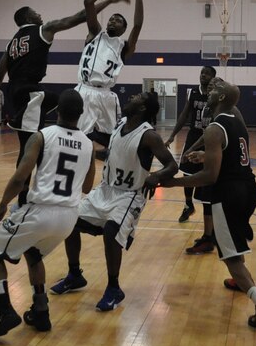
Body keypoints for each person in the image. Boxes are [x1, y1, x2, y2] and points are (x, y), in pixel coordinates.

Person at [144, 80, 256, 329]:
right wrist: (207, 154)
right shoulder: (237, 119)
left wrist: (173, 183)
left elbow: (209, 177)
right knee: (234, 242)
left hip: (228, 194)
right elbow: (234, 156)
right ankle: (240, 281)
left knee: (230, 256)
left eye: (216, 88)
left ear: (221, 97)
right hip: (249, 188)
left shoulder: (215, 128)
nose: (211, 90)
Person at [0, 0, 130, 205]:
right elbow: (79, 16)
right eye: (35, 13)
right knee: (27, 150)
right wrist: (109, 0)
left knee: (68, 102)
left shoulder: (12, 43)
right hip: (30, 94)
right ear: (27, 18)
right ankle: (23, 201)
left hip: (22, 92)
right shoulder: (42, 30)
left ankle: (80, 147)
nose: (39, 14)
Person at [50, 92, 178, 311]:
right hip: (105, 190)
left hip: (128, 196)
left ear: (143, 108)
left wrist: (156, 176)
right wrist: (91, 152)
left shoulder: (149, 136)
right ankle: (74, 275)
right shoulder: (120, 125)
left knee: (111, 232)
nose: (131, 98)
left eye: (137, 97)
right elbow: (114, 153)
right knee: (69, 220)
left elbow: (172, 165)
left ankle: (114, 288)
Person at [0, 89, 96, 339]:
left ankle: (4, 309)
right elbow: (87, 187)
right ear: (80, 114)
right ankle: (41, 310)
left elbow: (20, 177)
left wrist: (3, 204)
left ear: (57, 112)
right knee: (33, 253)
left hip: (40, 210)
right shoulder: (88, 144)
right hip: (68, 218)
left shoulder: (42, 136)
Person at [75, 0, 147, 158]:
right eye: (112, 19)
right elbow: (88, 2)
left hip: (106, 95)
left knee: (113, 140)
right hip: (85, 90)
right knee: (78, 138)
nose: (113, 21)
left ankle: (110, 168)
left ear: (124, 29)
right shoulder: (95, 34)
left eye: (118, 20)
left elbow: (138, 24)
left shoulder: (124, 47)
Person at [182, 76, 248, 255]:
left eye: (213, 87)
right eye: (209, 87)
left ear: (221, 92)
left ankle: (219, 238)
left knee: (214, 197)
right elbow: (207, 134)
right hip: (210, 154)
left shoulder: (231, 110)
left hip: (223, 162)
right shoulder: (211, 109)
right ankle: (209, 236)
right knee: (206, 199)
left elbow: (240, 135)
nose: (209, 90)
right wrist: (193, 148)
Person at [164, 66, 216, 229]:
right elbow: (184, 115)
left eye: (207, 74)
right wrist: (173, 135)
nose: (203, 76)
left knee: (207, 174)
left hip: (210, 137)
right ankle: (188, 205)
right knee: (187, 170)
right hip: (194, 136)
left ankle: (209, 212)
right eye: (202, 73)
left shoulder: (215, 95)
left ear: (213, 77)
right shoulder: (193, 93)